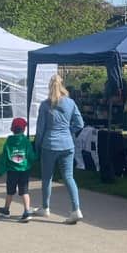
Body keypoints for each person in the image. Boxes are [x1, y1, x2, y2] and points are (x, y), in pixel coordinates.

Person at [33, 75, 84, 225]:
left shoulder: (45, 105)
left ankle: (45, 207)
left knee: (47, 177)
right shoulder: (70, 102)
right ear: (63, 86)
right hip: (67, 144)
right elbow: (80, 123)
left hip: (49, 144)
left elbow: (40, 129)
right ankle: (76, 209)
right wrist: (69, 131)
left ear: (50, 86)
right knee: (69, 177)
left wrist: (37, 146)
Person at [0, 117, 37, 219]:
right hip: (24, 169)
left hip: (12, 170)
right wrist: (35, 158)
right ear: (24, 129)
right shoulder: (26, 141)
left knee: (10, 191)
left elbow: (5, 155)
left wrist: (2, 168)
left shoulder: (9, 140)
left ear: (12, 128)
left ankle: (6, 210)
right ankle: (26, 211)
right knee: (24, 191)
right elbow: (30, 155)